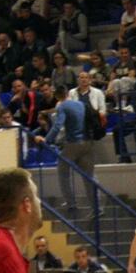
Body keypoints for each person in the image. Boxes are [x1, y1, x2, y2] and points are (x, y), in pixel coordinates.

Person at [35, 87, 95, 215]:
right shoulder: (81, 104)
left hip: (73, 143)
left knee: (63, 173)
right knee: (89, 177)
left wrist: (46, 140)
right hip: (87, 142)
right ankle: (97, 208)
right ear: (68, 93)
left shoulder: (62, 106)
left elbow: (57, 126)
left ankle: (71, 202)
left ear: (56, 97)